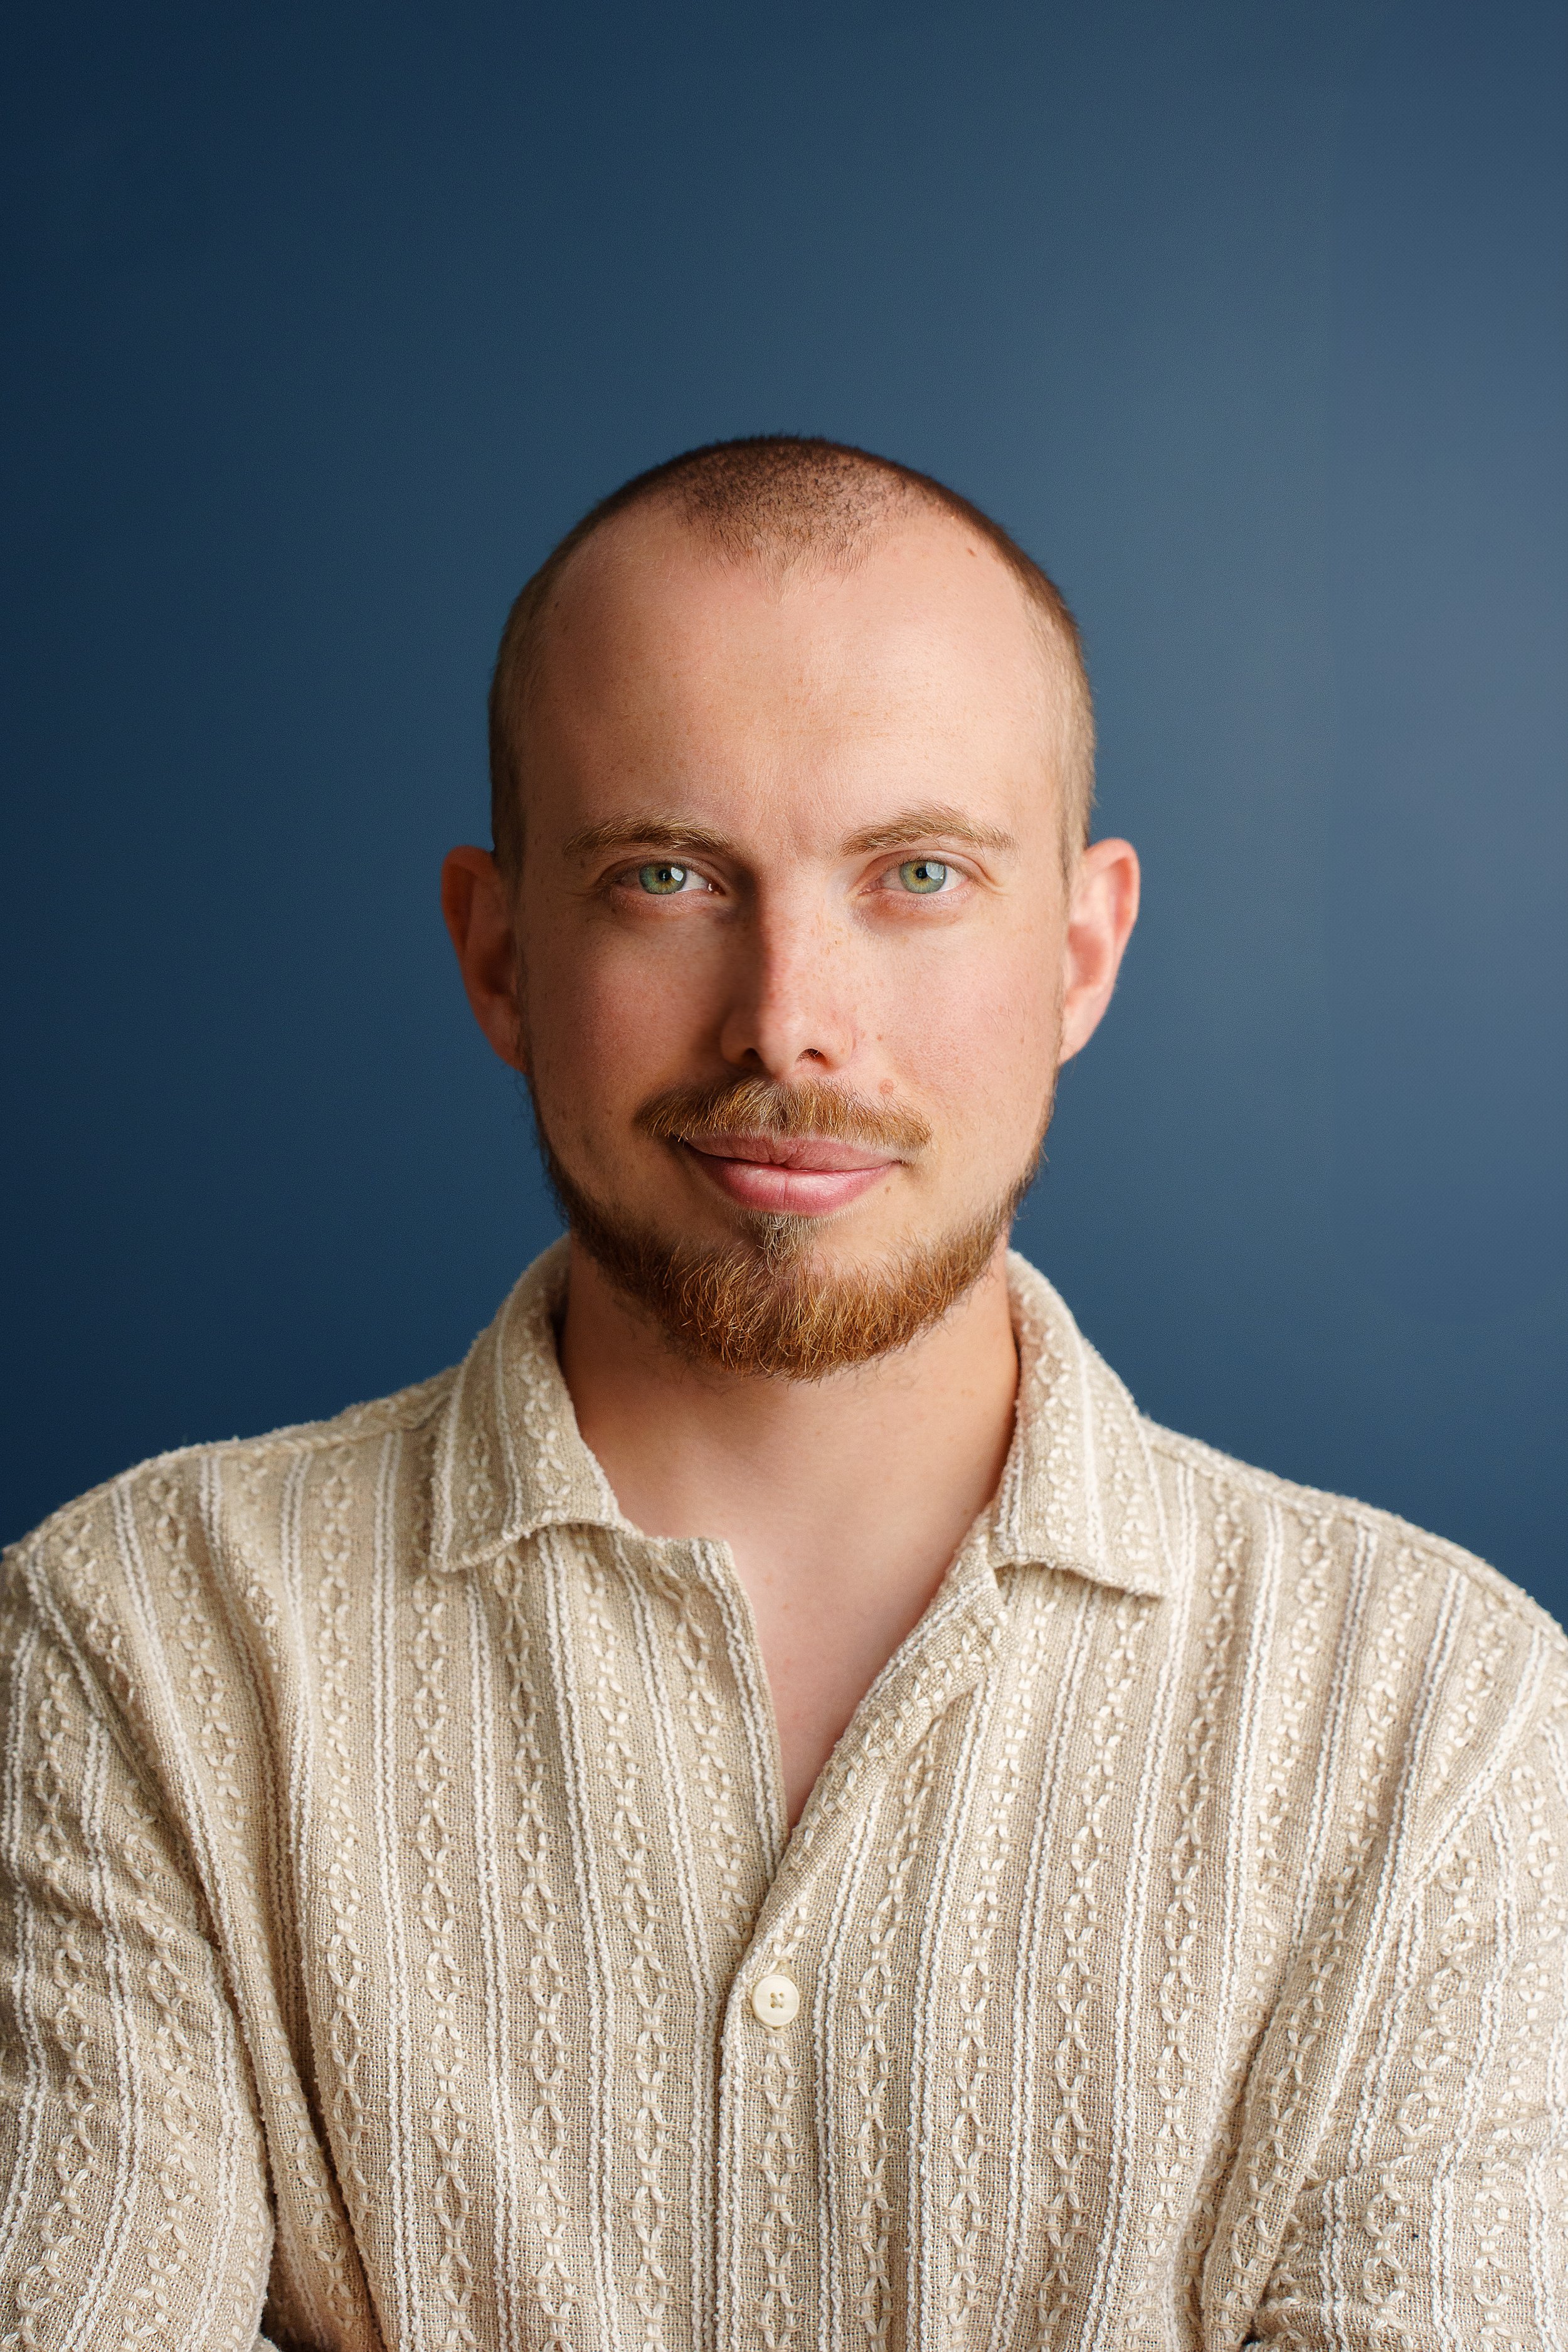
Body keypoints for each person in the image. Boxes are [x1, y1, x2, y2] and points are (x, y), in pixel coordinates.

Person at [1, 437, 1562, 2352]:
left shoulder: (1447, 1730)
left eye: (916, 875)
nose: (785, 1019)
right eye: (666, 874)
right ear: (499, 953)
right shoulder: (133, 1643)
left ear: (1080, 948)